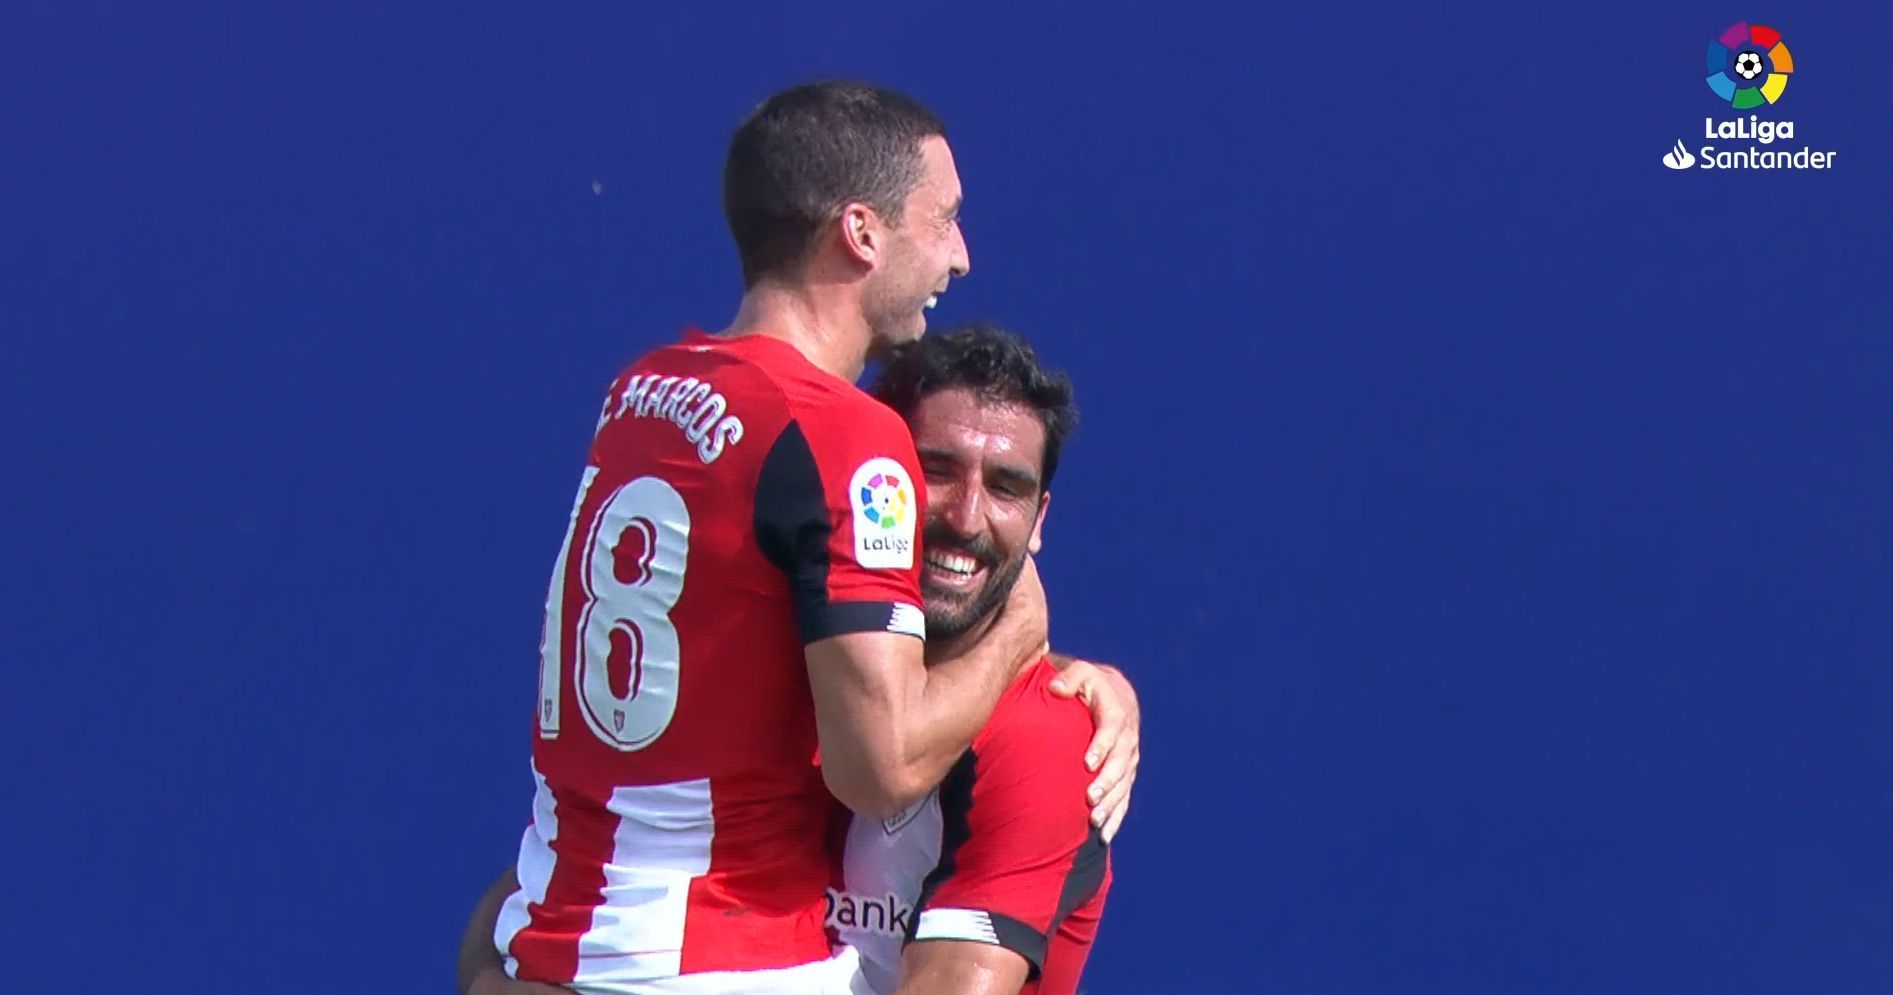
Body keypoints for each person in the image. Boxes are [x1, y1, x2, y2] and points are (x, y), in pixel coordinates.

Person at [491, 81, 1137, 995]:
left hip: (547, 939)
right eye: (943, 219)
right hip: (719, 963)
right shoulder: (841, 431)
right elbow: (882, 767)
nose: (960, 254)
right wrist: (1022, 632)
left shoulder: (642, 392)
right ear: (862, 232)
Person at [467, 325, 1118, 995]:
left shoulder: (1044, 738)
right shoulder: (805, 670)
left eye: (1006, 488)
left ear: (1040, 519)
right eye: (937, 471)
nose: (966, 516)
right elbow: (540, 905)